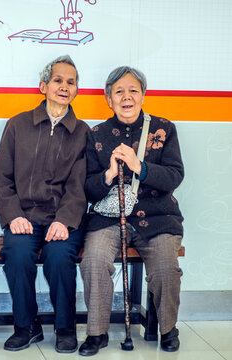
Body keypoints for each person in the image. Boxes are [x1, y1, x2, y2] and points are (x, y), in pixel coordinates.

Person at [78, 66, 184, 355]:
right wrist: (109, 175)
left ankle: (168, 328)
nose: (127, 97)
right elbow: (87, 189)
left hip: (157, 216)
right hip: (108, 218)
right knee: (94, 261)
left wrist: (140, 167)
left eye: (133, 90)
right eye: (119, 92)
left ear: (143, 95)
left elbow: (175, 176)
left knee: (165, 267)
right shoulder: (96, 133)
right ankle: (97, 333)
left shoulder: (164, 129)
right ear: (108, 99)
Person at [0, 55, 90, 353]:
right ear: (43, 86)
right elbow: (2, 179)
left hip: (64, 219)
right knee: (18, 253)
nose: (64, 86)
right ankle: (26, 326)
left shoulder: (83, 132)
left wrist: (65, 220)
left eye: (70, 82)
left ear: (76, 90)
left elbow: (80, 186)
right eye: (58, 80)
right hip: (25, 216)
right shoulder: (18, 125)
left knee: (60, 258)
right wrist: (13, 216)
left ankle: (65, 329)